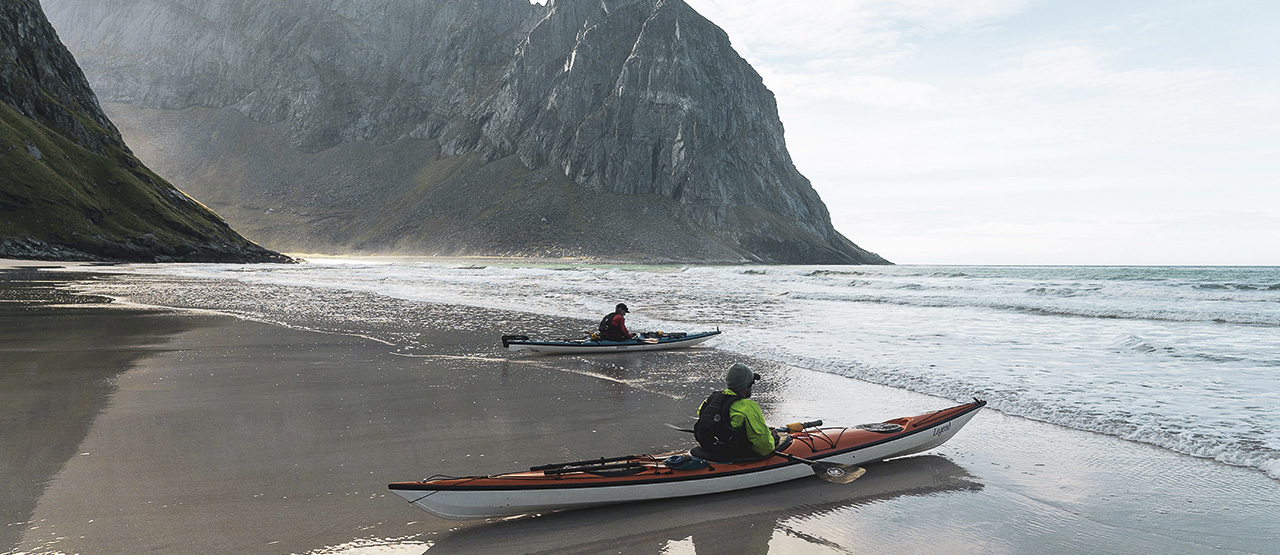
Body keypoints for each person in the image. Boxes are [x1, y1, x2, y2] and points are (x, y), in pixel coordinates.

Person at [693, 363, 777, 460]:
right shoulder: (747, 407)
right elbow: (765, 448)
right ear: (746, 386)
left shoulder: (711, 400)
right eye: (752, 383)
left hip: (710, 448)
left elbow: (718, 425)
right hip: (732, 454)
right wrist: (771, 436)